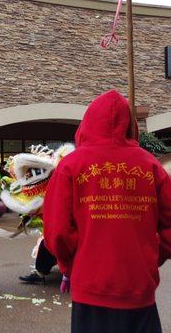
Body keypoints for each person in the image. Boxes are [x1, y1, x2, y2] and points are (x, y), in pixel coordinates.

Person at [43, 90, 171, 333]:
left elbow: (56, 231)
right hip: (139, 288)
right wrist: (153, 256)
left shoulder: (71, 166)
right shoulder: (150, 165)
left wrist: (72, 266)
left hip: (90, 289)